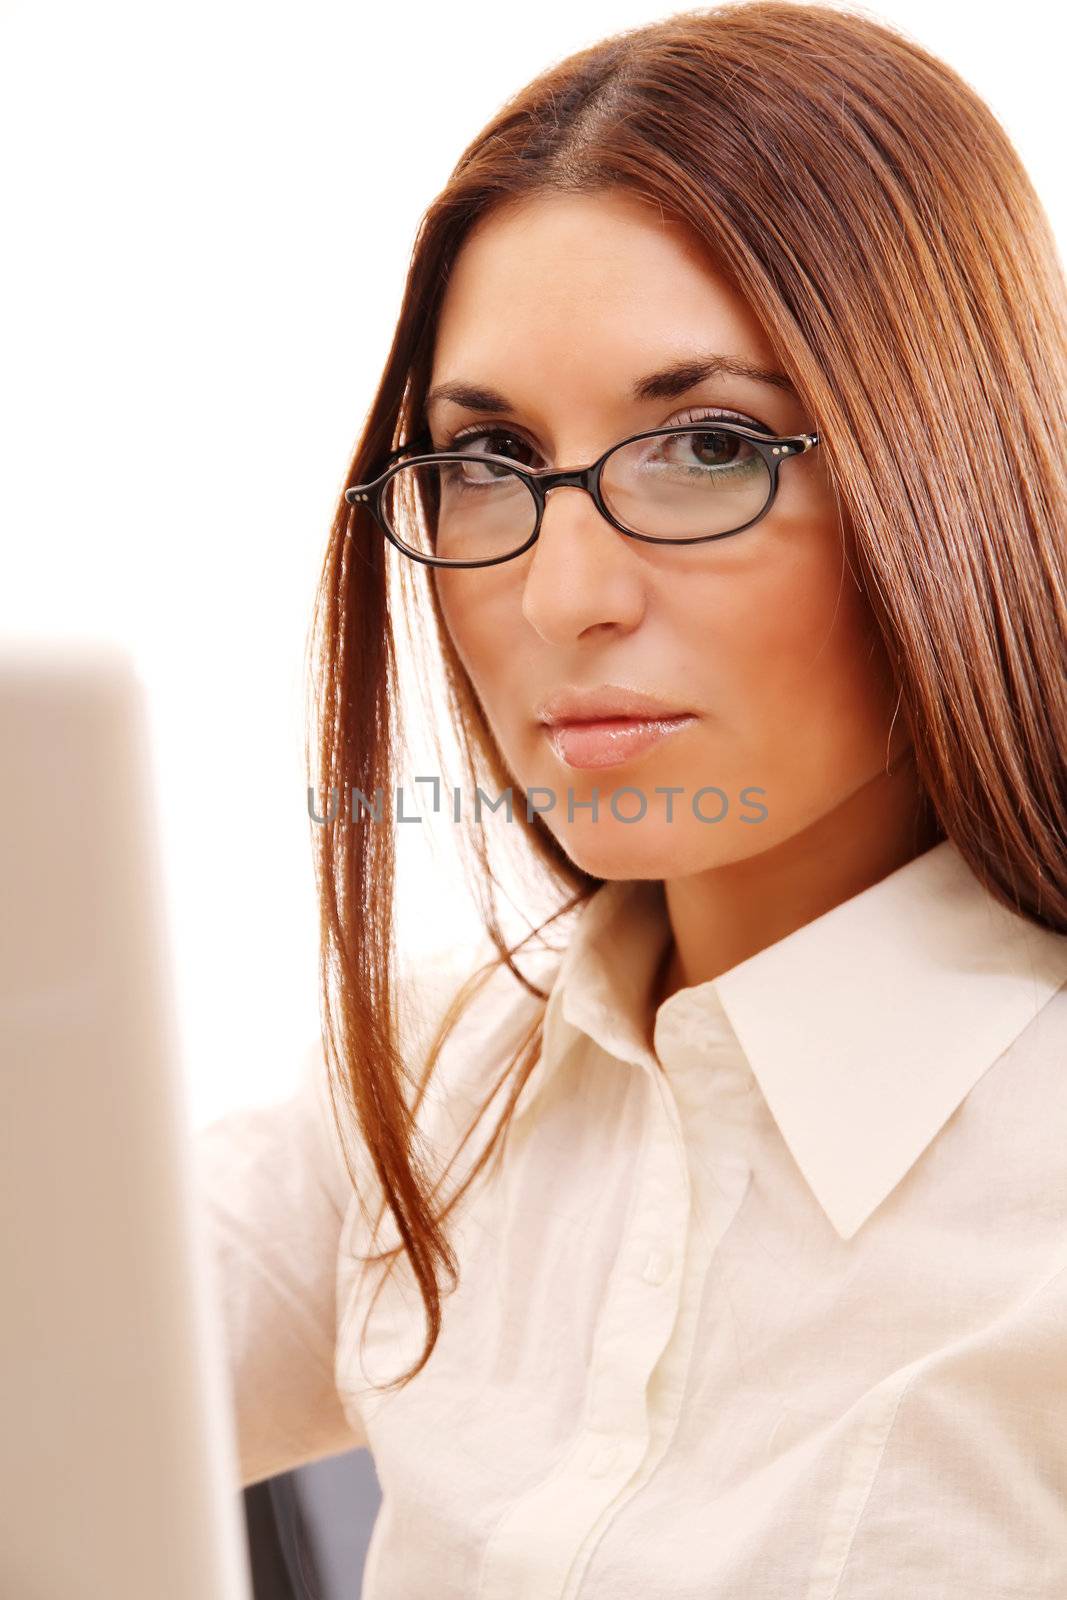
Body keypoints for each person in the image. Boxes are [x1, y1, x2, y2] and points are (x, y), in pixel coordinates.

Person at [194, 3, 1067, 1594]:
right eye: (491, 460)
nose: (559, 594)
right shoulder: (438, 1087)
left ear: (949, 468)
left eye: (708, 444)